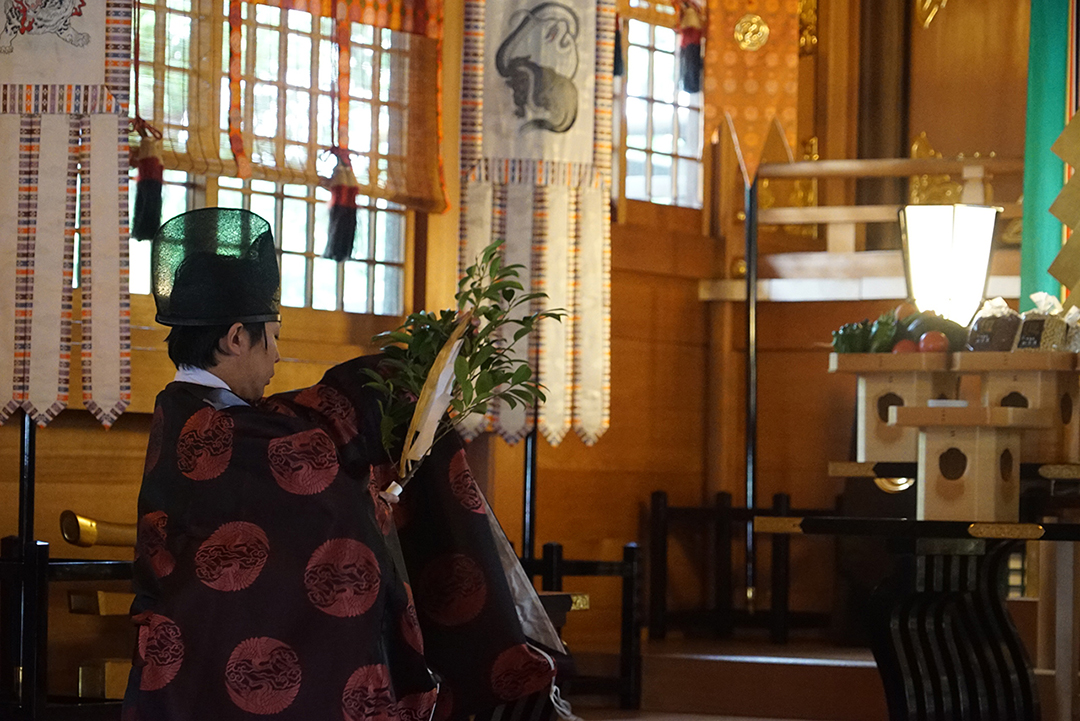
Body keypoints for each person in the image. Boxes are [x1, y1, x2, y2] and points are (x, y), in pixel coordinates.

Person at [122, 208, 563, 721]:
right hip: (214, 648)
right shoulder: (227, 430)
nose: (277, 359)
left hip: (184, 660)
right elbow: (328, 507)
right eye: (275, 336)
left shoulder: (185, 414)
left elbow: (305, 444)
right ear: (236, 338)